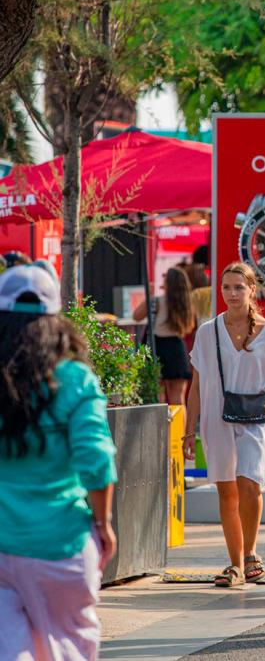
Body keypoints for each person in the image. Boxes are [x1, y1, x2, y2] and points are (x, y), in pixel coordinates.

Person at [0, 262, 118, 660]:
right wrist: (102, 524)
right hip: (62, 543)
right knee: (69, 650)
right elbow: (96, 461)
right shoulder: (75, 379)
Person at [184, 262, 265, 587]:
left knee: (249, 482)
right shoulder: (208, 331)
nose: (232, 294)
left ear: (253, 290)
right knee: (227, 488)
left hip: (257, 419)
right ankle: (236, 564)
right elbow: (196, 384)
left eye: (239, 287)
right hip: (217, 419)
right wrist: (188, 430)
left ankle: (250, 552)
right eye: (227, 287)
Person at [134, 266, 196, 405]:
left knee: (158, 396)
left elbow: (136, 316)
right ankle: (178, 427)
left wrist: (148, 296)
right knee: (178, 399)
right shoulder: (186, 303)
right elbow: (189, 327)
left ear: (168, 282)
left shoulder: (156, 301)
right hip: (176, 348)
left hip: (157, 347)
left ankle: (160, 427)